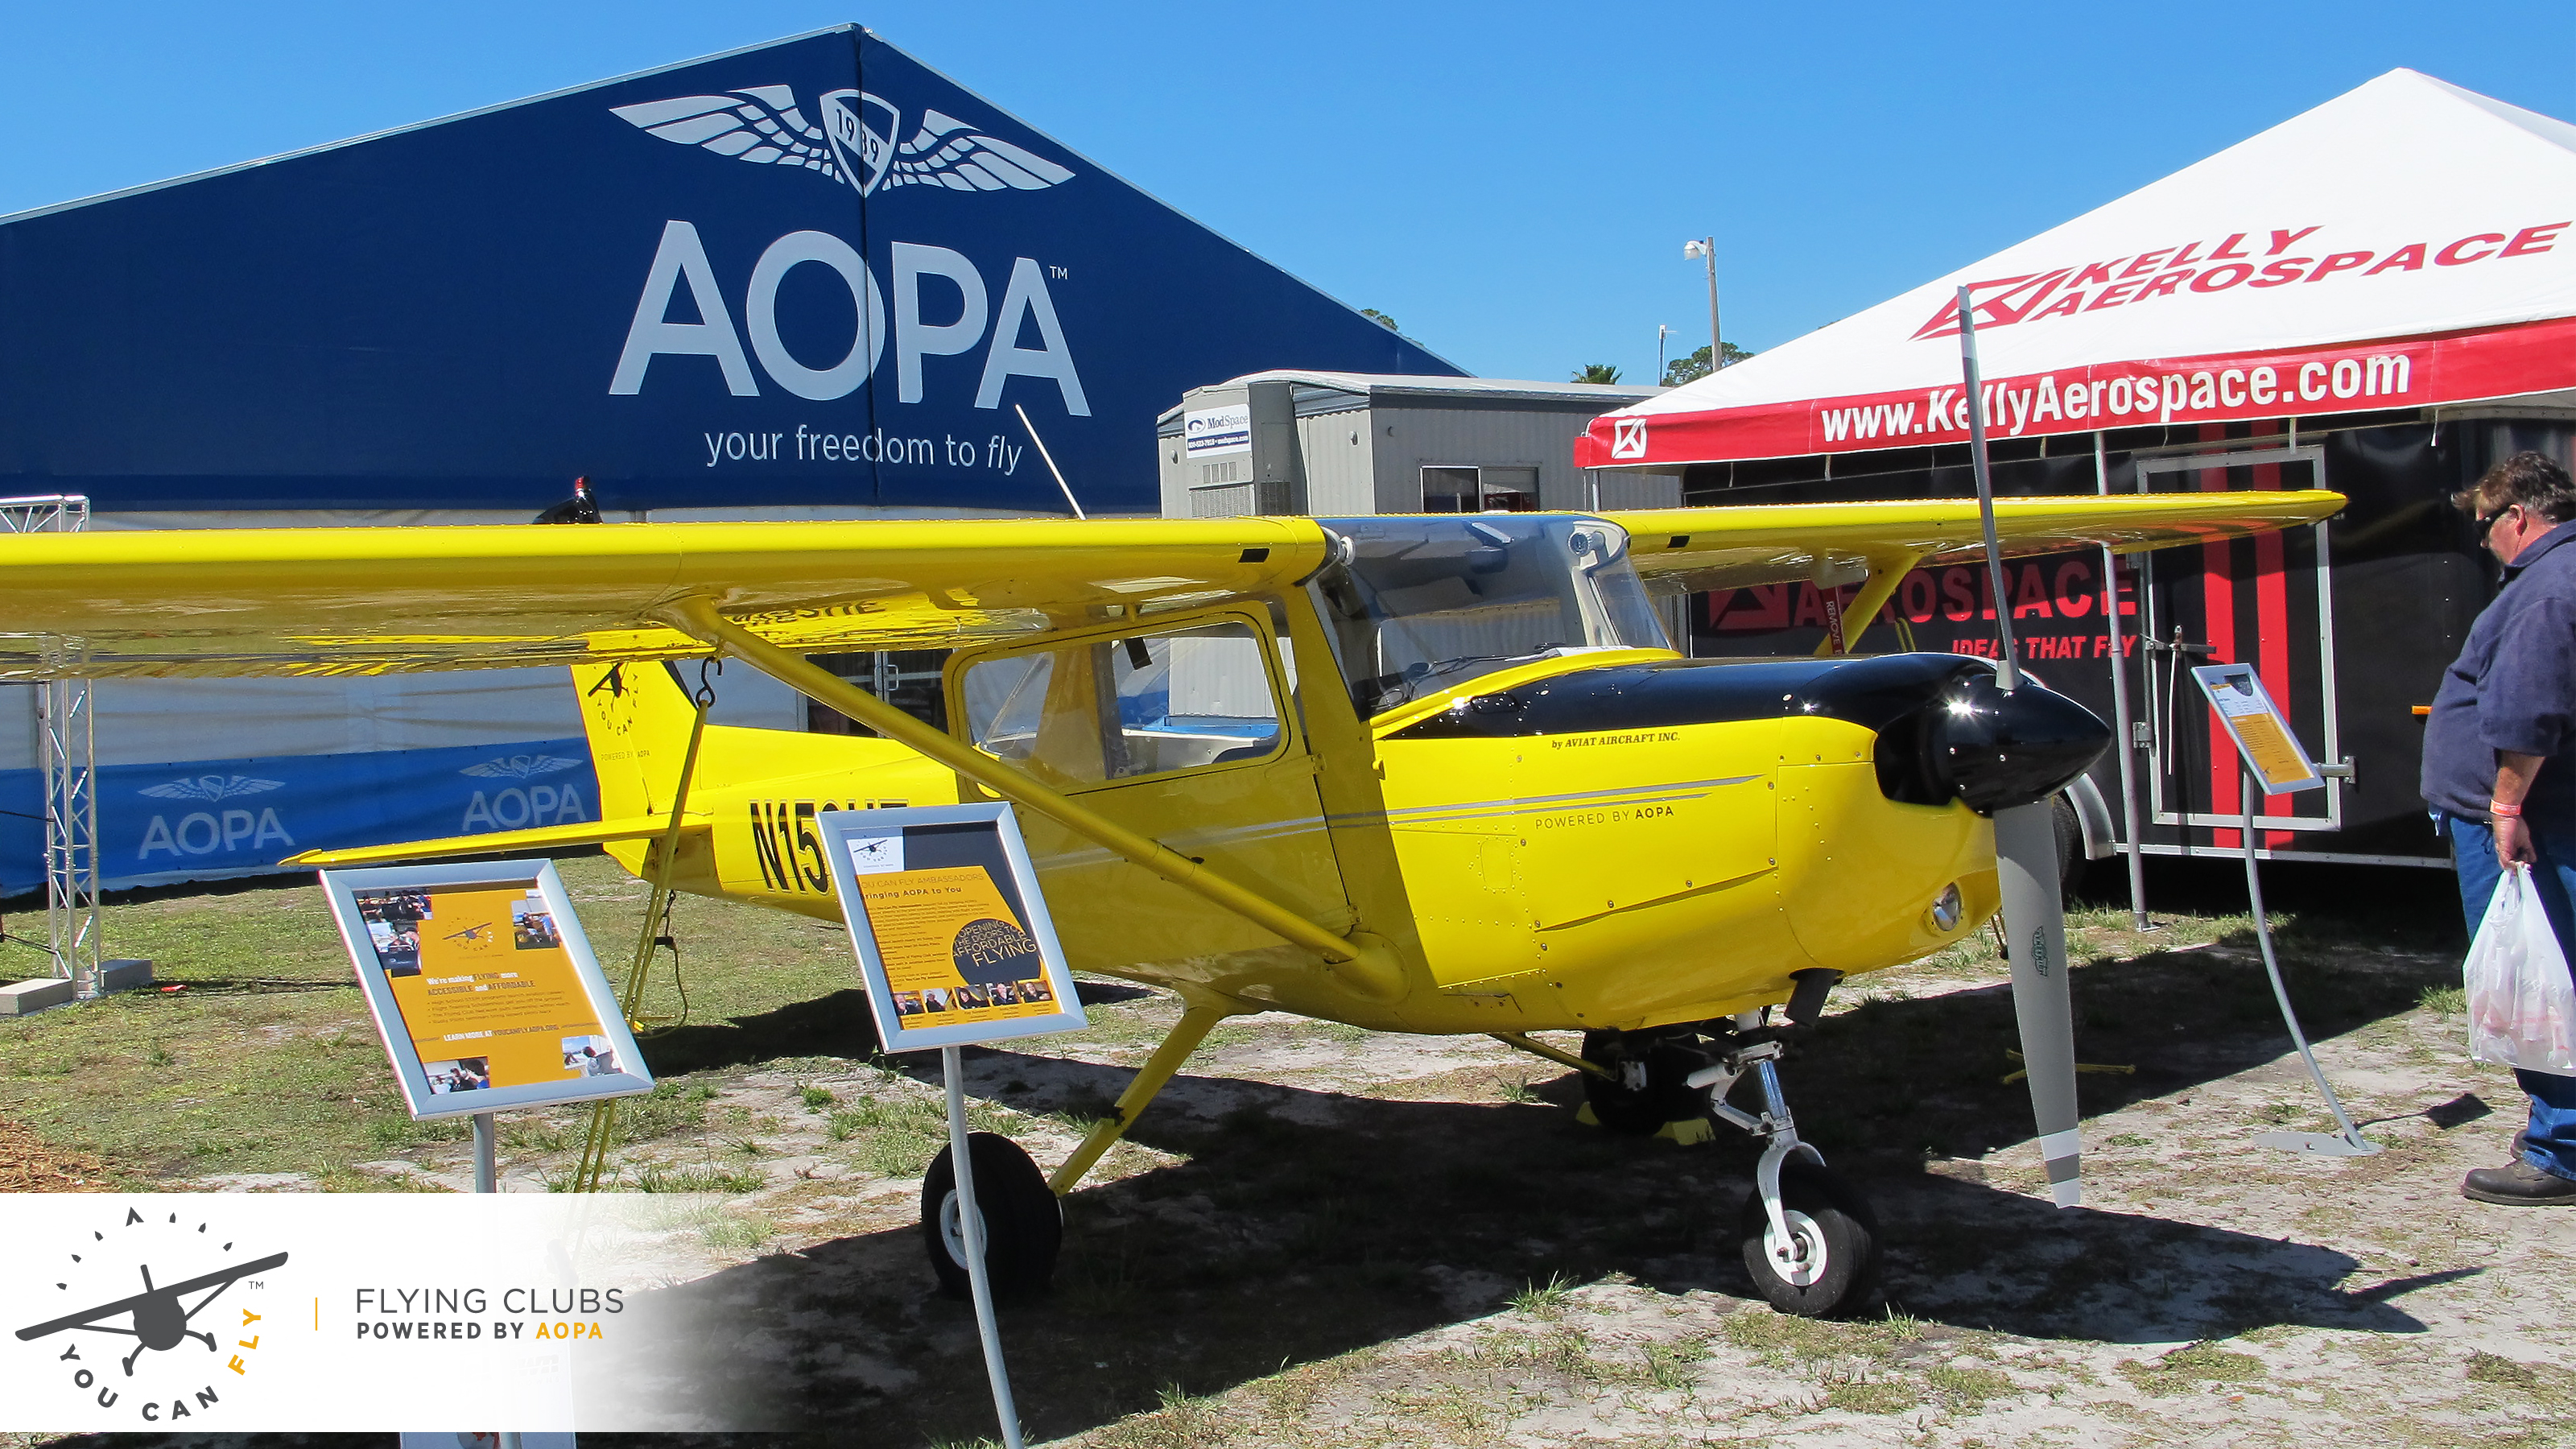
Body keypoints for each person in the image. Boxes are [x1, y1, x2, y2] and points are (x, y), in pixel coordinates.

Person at [2422, 449, 2576, 1205]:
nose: (2485, 542)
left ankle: (2561, 1147)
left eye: (2486, 526)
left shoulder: (2546, 588)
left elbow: (2529, 712)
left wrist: (2506, 808)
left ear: (2518, 515)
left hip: (2529, 824)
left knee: (2538, 982)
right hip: (2547, 815)